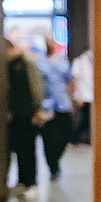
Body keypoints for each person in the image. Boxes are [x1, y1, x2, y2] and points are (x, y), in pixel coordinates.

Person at [6, 38, 46, 199]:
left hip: (26, 112)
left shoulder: (25, 63)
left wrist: (37, 108)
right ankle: (23, 181)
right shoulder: (11, 65)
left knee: (27, 148)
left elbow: (35, 87)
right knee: (19, 148)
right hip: (16, 113)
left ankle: (31, 182)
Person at [37, 37, 73, 180]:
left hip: (62, 104)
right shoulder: (40, 63)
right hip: (47, 105)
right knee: (48, 138)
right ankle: (52, 166)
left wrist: (71, 100)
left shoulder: (62, 63)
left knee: (66, 134)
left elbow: (70, 81)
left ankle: (55, 158)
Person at [70, 48, 93, 145]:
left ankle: (80, 138)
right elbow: (76, 79)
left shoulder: (91, 62)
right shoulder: (79, 62)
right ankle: (75, 138)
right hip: (83, 95)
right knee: (85, 119)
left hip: (90, 94)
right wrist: (79, 95)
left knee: (87, 118)